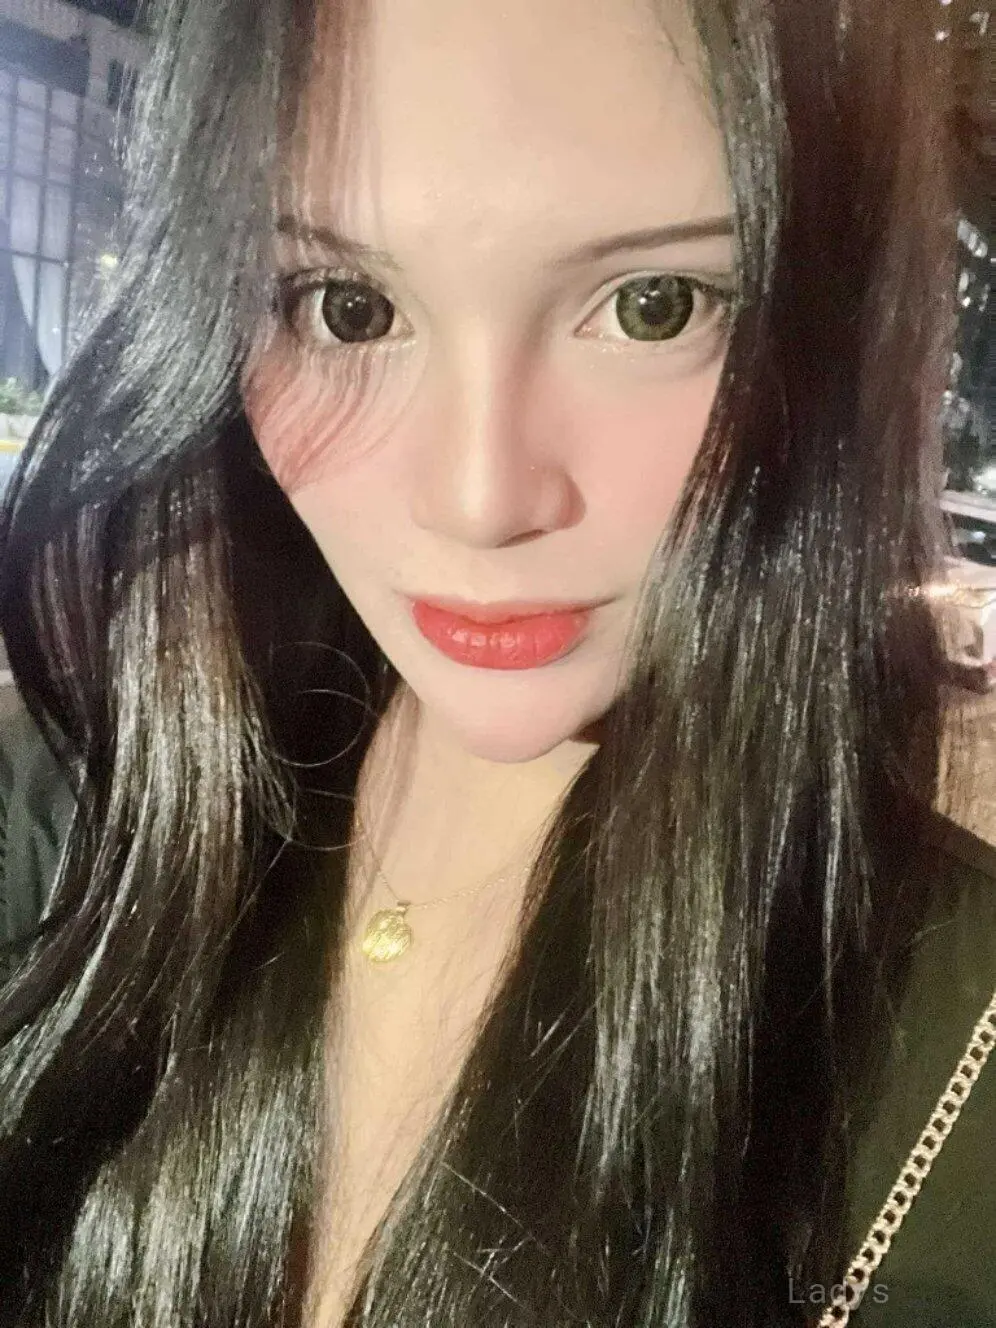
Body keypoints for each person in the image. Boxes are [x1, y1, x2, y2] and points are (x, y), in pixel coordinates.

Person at [0, 0, 992, 1324]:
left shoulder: (958, 1059)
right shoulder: (79, 815)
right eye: (348, 308)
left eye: (652, 305)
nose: (479, 500)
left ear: (845, 325)